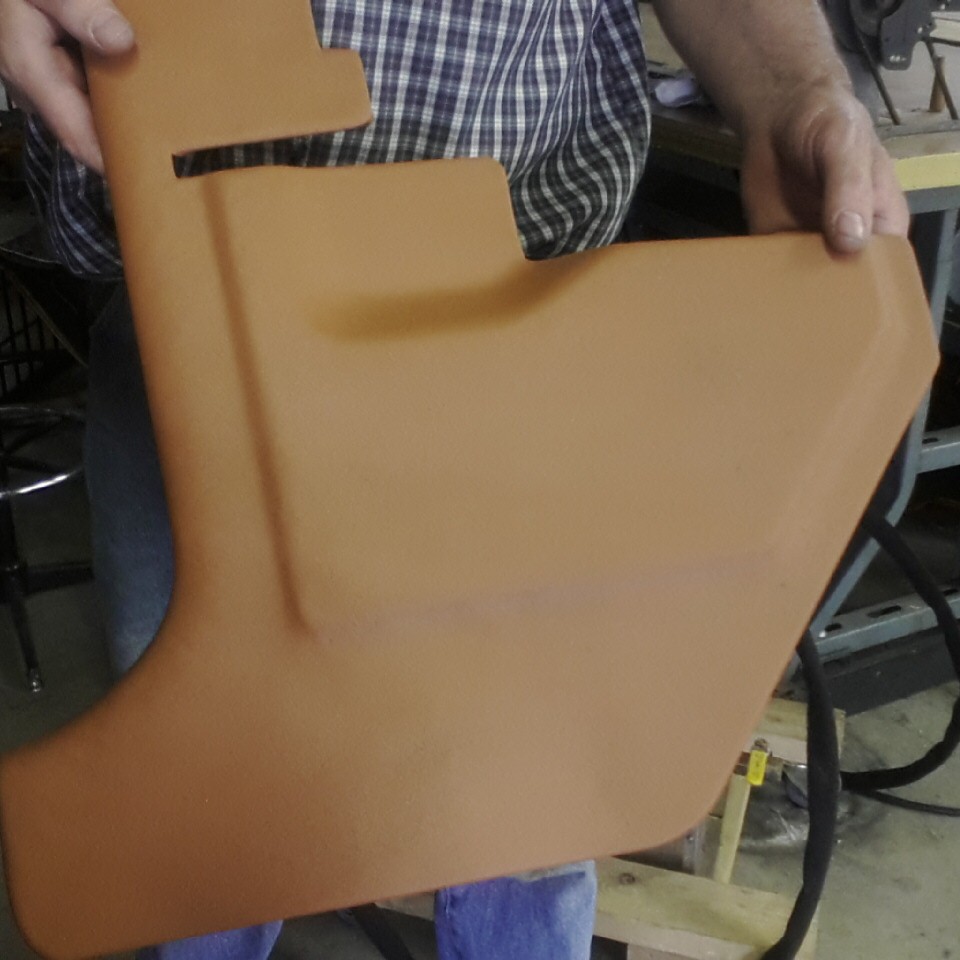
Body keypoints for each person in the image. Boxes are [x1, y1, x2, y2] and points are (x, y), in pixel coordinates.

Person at [0, 2, 909, 959]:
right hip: (190, 316)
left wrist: (796, 92)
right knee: (210, 807)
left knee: (528, 792)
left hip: (518, 331)